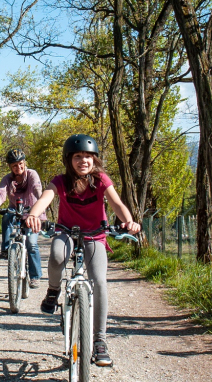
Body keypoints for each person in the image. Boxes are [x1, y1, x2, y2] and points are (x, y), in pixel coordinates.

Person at [24, 134, 140, 367]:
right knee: (57, 255)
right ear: (69, 160)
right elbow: (46, 197)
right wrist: (33, 215)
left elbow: (116, 203)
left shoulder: (101, 180)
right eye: (78, 156)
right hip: (66, 231)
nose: (83, 161)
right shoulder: (60, 180)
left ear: (94, 159)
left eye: (88, 156)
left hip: (95, 234)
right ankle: (53, 290)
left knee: (99, 281)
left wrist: (129, 220)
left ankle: (100, 341)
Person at [0, 148, 45, 288]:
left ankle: (35, 276)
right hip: (16, 210)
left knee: (31, 244)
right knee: (7, 215)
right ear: (10, 167)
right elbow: (1, 193)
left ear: (25, 163)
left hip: (32, 212)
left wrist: (41, 203)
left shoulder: (32, 174)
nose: (18, 167)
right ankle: (6, 249)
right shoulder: (7, 179)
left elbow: (37, 189)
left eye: (21, 164)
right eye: (14, 165)